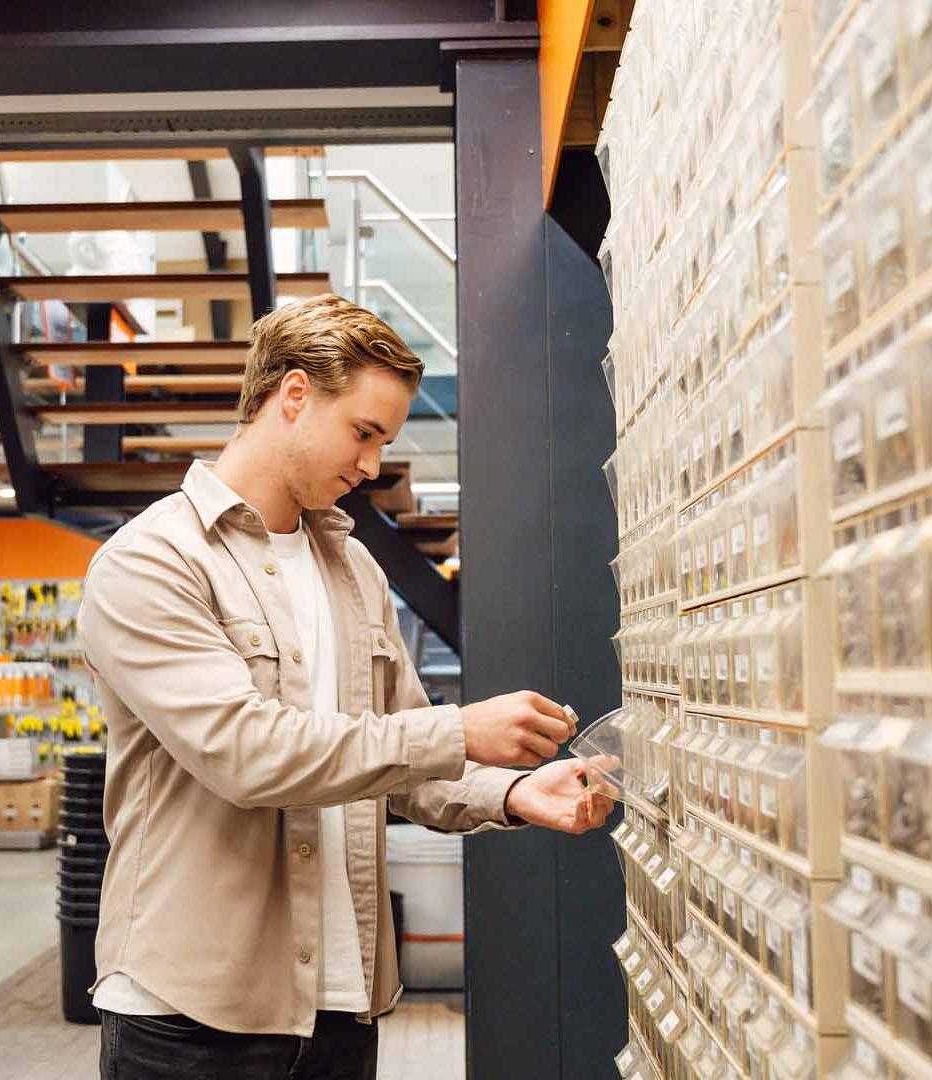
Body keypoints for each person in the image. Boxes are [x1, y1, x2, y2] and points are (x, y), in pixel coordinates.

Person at [78, 294, 615, 1080]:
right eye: (364, 432)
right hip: (190, 1018)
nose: (371, 465)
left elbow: (397, 762)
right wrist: (458, 732)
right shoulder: (154, 561)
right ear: (293, 396)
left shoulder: (355, 569)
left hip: (341, 1005)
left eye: (384, 441)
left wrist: (514, 791)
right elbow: (247, 754)